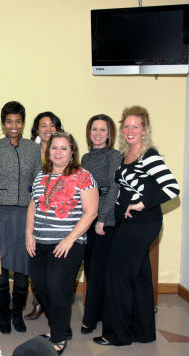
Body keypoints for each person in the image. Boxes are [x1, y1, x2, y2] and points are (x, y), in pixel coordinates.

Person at [94, 106, 180, 347]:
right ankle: (143, 332)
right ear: (122, 129)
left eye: (136, 126)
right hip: (128, 223)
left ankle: (116, 335)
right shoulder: (126, 154)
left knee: (117, 275)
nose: (130, 130)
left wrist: (142, 203)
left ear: (145, 130)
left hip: (142, 225)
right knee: (141, 277)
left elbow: (172, 188)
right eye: (127, 125)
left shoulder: (149, 155)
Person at [26, 132, 98, 355]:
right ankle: (61, 326)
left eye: (63, 148)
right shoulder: (42, 176)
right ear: (49, 152)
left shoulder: (83, 175)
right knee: (42, 286)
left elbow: (91, 212)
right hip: (40, 243)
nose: (58, 152)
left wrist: (70, 239)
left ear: (72, 152)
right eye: (54, 148)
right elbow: (33, 206)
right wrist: (29, 234)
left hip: (69, 242)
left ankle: (58, 338)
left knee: (58, 288)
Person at [0, 101, 41, 334]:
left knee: (24, 267)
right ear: (3, 123)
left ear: (23, 123)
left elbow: (38, 184)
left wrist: (38, 216)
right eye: (9, 121)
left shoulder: (33, 149)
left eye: (17, 121)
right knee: (0, 267)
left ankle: (17, 311)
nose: (13, 126)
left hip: (26, 214)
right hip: (0, 213)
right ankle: (4, 313)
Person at [80, 115, 121, 334]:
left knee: (97, 270)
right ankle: (98, 313)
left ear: (109, 133)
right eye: (94, 129)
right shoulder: (86, 158)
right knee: (90, 268)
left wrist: (102, 218)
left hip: (106, 220)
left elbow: (114, 188)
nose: (97, 133)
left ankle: (89, 319)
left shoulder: (113, 156)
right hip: (88, 218)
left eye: (102, 130)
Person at [25, 111, 63, 320]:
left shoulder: (63, 149)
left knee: (51, 260)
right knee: (35, 257)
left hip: (55, 214)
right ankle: (38, 301)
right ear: (37, 129)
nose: (48, 129)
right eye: (43, 126)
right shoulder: (30, 149)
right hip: (32, 207)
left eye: (52, 125)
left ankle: (49, 303)